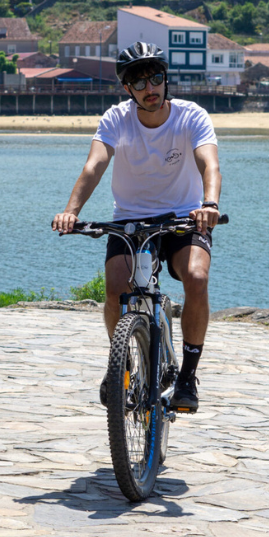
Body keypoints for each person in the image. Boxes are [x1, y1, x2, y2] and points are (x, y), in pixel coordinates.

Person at [51, 41, 221, 413]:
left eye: (155, 78)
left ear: (166, 79)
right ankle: (121, 365)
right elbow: (94, 165)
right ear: (128, 88)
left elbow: (209, 164)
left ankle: (187, 377)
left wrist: (209, 205)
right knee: (116, 291)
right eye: (139, 83)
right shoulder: (116, 119)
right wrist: (71, 211)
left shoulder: (191, 116)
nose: (150, 88)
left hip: (184, 218)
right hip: (130, 219)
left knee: (196, 277)